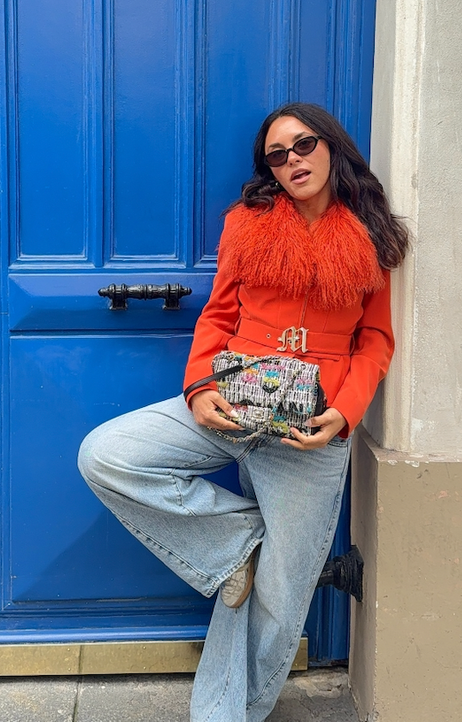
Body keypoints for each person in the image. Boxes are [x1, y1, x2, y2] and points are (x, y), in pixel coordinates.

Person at [78, 102, 408, 722]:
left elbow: (375, 341)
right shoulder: (248, 224)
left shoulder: (370, 233)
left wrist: (345, 413)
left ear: (331, 146)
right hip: (233, 401)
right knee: (106, 454)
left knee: (280, 603)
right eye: (277, 156)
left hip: (310, 429)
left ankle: (227, 714)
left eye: (303, 145)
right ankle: (239, 549)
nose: (292, 161)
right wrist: (199, 388)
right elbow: (219, 314)